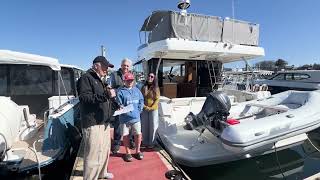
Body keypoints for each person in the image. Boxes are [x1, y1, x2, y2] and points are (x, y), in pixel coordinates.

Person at [77, 56, 115, 180]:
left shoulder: (101, 80)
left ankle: (102, 173)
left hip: (104, 121)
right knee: (93, 155)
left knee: (104, 151)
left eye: (107, 68)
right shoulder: (86, 78)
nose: (106, 70)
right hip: (92, 123)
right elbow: (84, 98)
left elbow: (105, 98)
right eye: (105, 67)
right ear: (96, 65)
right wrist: (105, 95)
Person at [108, 58, 135, 154]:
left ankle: (131, 140)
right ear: (121, 65)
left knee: (130, 124)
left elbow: (134, 88)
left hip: (129, 104)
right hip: (118, 104)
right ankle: (116, 143)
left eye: (127, 66)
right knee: (118, 125)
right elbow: (110, 88)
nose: (126, 67)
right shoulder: (114, 75)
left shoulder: (132, 74)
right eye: (124, 65)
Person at [116, 72, 144, 162]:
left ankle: (138, 151)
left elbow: (141, 100)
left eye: (131, 80)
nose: (130, 82)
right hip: (124, 119)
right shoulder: (120, 91)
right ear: (124, 81)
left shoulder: (137, 90)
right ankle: (128, 153)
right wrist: (120, 106)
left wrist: (140, 110)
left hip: (136, 118)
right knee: (125, 135)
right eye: (128, 80)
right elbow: (118, 103)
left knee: (138, 134)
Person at [141, 73, 160, 148]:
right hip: (145, 109)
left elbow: (157, 99)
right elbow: (141, 97)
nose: (150, 77)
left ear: (154, 78)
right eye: (149, 76)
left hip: (153, 110)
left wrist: (151, 108)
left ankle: (152, 143)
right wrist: (144, 106)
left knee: (153, 126)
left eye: (152, 77)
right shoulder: (143, 87)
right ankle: (145, 142)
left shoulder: (156, 88)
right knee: (145, 126)